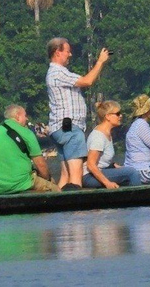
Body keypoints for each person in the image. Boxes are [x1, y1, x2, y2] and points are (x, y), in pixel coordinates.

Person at [45, 37, 110, 190]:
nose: (70, 55)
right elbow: (87, 81)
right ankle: (77, 212)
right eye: (67, 51)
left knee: (66, 175)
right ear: (57, 52)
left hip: (62, 128)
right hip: (69, 128)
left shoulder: (57, 73)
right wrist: (100, 62)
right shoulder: (57, 72)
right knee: (76, 174)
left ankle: (56, 209)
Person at [0, 104, 58, 195]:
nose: (27, 119)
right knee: (56, 189)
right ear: (17, 116)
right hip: (21, 184)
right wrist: (48, 180)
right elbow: (41, 165)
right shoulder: (27, 133)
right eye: (25, 115)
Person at [82, 101, 142, 189]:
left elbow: (101, 160)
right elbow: (91, 165)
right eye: (117, 114)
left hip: (101, 171)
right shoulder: (98, 136)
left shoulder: (107, 133)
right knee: (132, 173)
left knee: (129, 171)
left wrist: (114, 166)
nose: (121, 116)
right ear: (108, 116)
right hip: (90, 177)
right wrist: (107, 183)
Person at [124, 94, 150, 184]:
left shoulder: (139, 124)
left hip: (143, 169)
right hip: (143, 171)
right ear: (146, 110)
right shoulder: (141, 124)